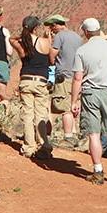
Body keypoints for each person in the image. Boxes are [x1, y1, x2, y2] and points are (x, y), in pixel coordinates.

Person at [71, 18, 107, 186]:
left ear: (86, 32)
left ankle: (98, 171)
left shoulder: (82, 51)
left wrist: (74, 100)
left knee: (93, 133)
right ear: (99, 30)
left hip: (90, 94)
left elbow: (77, 78)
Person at [10, 16, 54, 159]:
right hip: (41, 81)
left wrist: (25, 34)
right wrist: (47, 37)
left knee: (28, 115)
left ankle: (29, 147)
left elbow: (11, 39)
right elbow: (51, 59)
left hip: (26, 81)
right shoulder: (44, 42)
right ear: (36, 28)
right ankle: (43, 145)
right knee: (40, 115)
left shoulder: (23, 45)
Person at [44, 14, 83, 149]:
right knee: (73, 105)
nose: (51, 29)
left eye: (51, 26)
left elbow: (52, 54)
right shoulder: (77, 37)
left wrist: (49, 40)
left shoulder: (60, 36)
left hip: (63, 76)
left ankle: (67, 137)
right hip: (76, 76)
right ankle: (73, 134)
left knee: (64, 108)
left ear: (55, 25)